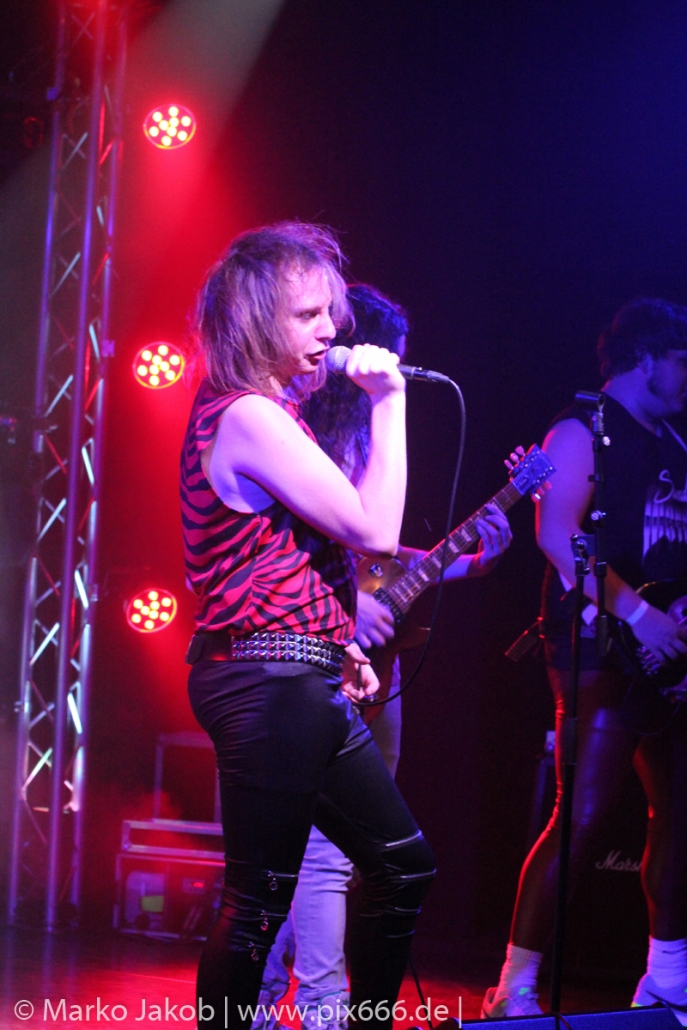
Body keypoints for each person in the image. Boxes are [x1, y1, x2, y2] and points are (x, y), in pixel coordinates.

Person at [180, 223, 437, 1030]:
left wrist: (334, 640)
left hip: (295, 671)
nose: (331, 330)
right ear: (257, 322)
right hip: (265, 680)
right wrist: (390, 402)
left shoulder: (272, 416)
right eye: (308, 315)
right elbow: (375, 533)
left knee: (401, 868)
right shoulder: (247, 415)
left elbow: (279, 557)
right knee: (257, 901)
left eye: (331, 313)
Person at [255, 284, 513, 1030]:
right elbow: (294, 546)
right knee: (302, 849)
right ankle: (312, 1004)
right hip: (301, 651)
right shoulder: (290, 427)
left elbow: (374, 553)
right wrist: (342, 609)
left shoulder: (367, 434)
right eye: (387, 352)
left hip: (361, 660)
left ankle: (287, 999)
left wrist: (461, 564)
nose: (396, 366)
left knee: (331, 847)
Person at [481, 298, 687, 1022]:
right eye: (681, 361)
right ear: (645, 359)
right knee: (585, 812)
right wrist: (639, 614)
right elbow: (558, 535)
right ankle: (514, 987)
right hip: (598, 647)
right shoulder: (580, 429)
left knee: (679, 810)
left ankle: (667, 978)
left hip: (668, 653)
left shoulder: (673, 444)